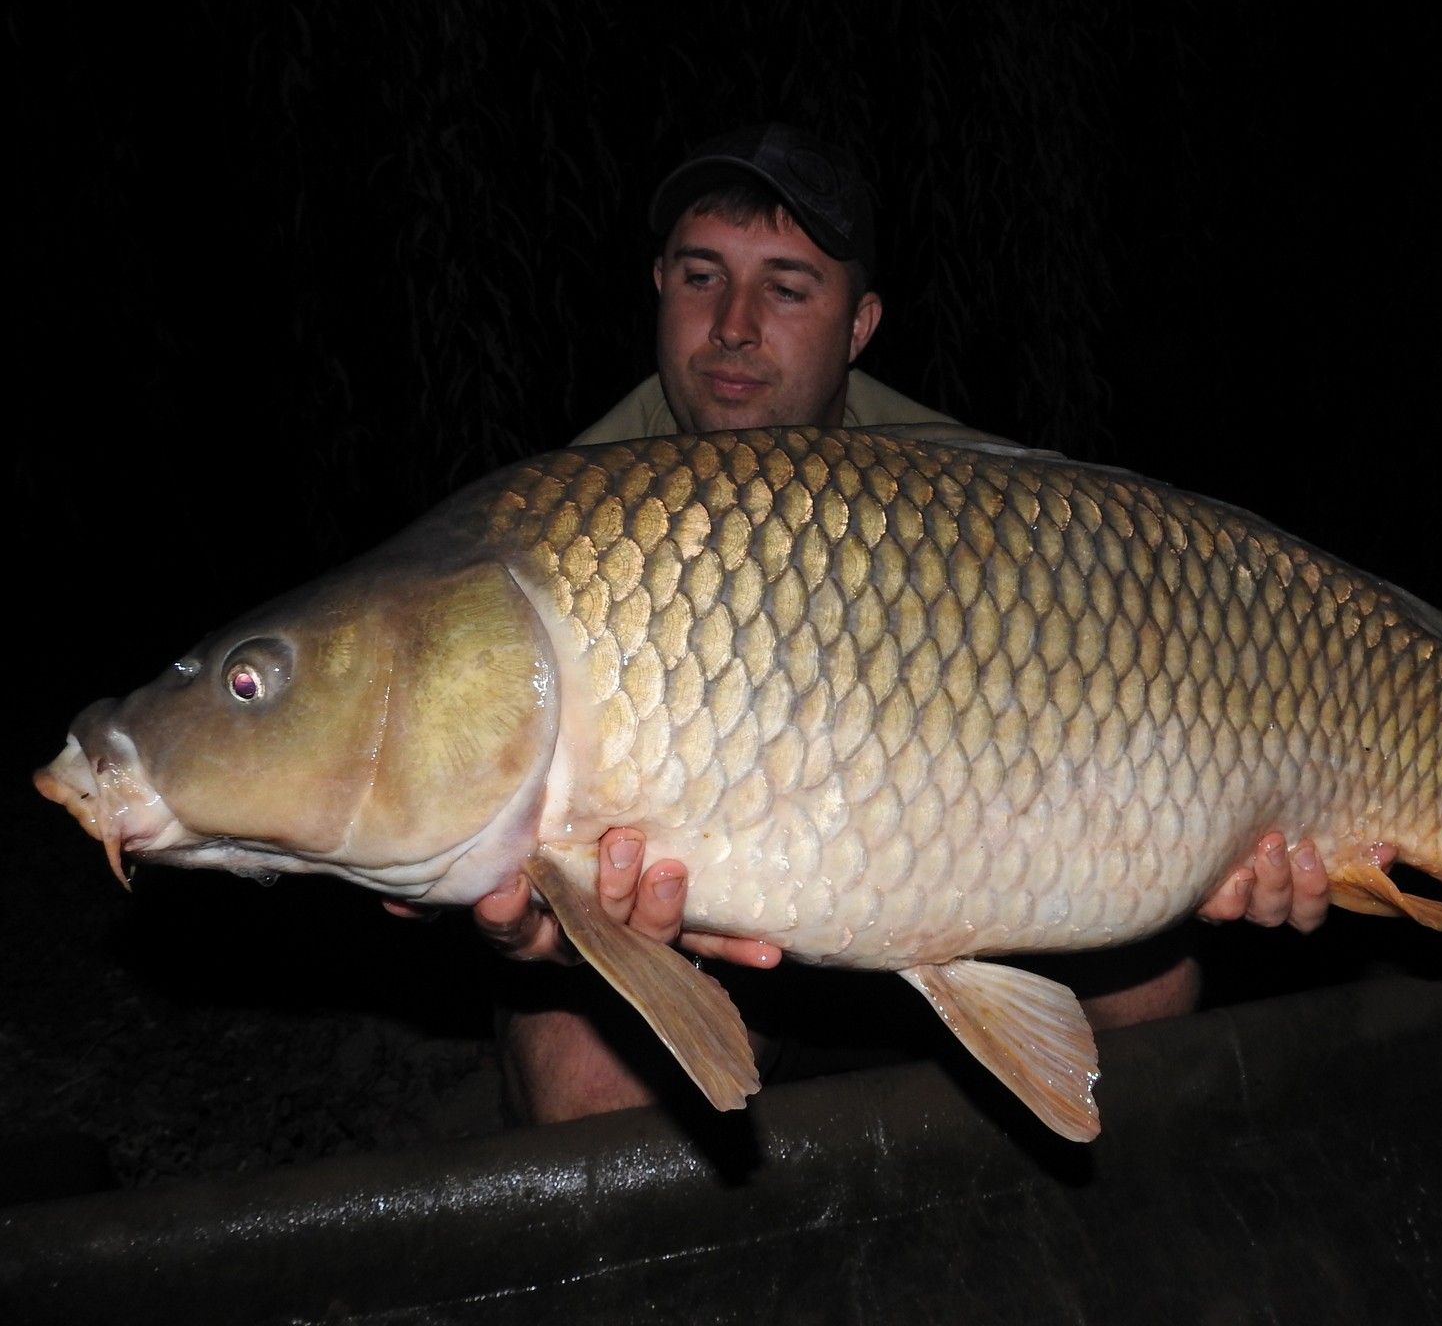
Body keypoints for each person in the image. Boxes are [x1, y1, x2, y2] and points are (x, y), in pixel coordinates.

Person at [406, 123, 1334, 1123]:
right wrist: (538, 918)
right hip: (712, 929)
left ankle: (1114, 1243)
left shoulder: (975, 494)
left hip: (953, 880)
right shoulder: (562, 529)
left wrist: (1228, 842)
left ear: (860, 325)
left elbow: (1139, 726)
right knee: (583, 1077)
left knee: (1155, 984)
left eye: (789, 288)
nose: (734, 325)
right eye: (702, 276)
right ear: (659, 287)